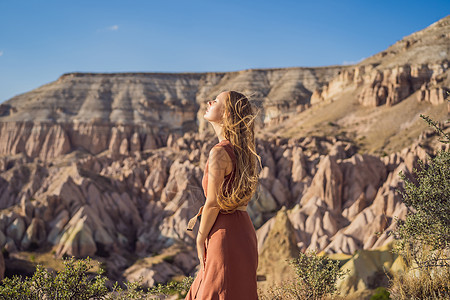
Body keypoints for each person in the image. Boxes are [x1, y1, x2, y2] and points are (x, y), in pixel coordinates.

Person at [185, 91, 260, 299]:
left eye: (216, 101)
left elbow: (213, 204)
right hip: (243, 232)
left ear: (226, 113)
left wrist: (200, 238)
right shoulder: (244, 152)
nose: (209, 102)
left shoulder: (219, 152)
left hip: (223, 234)